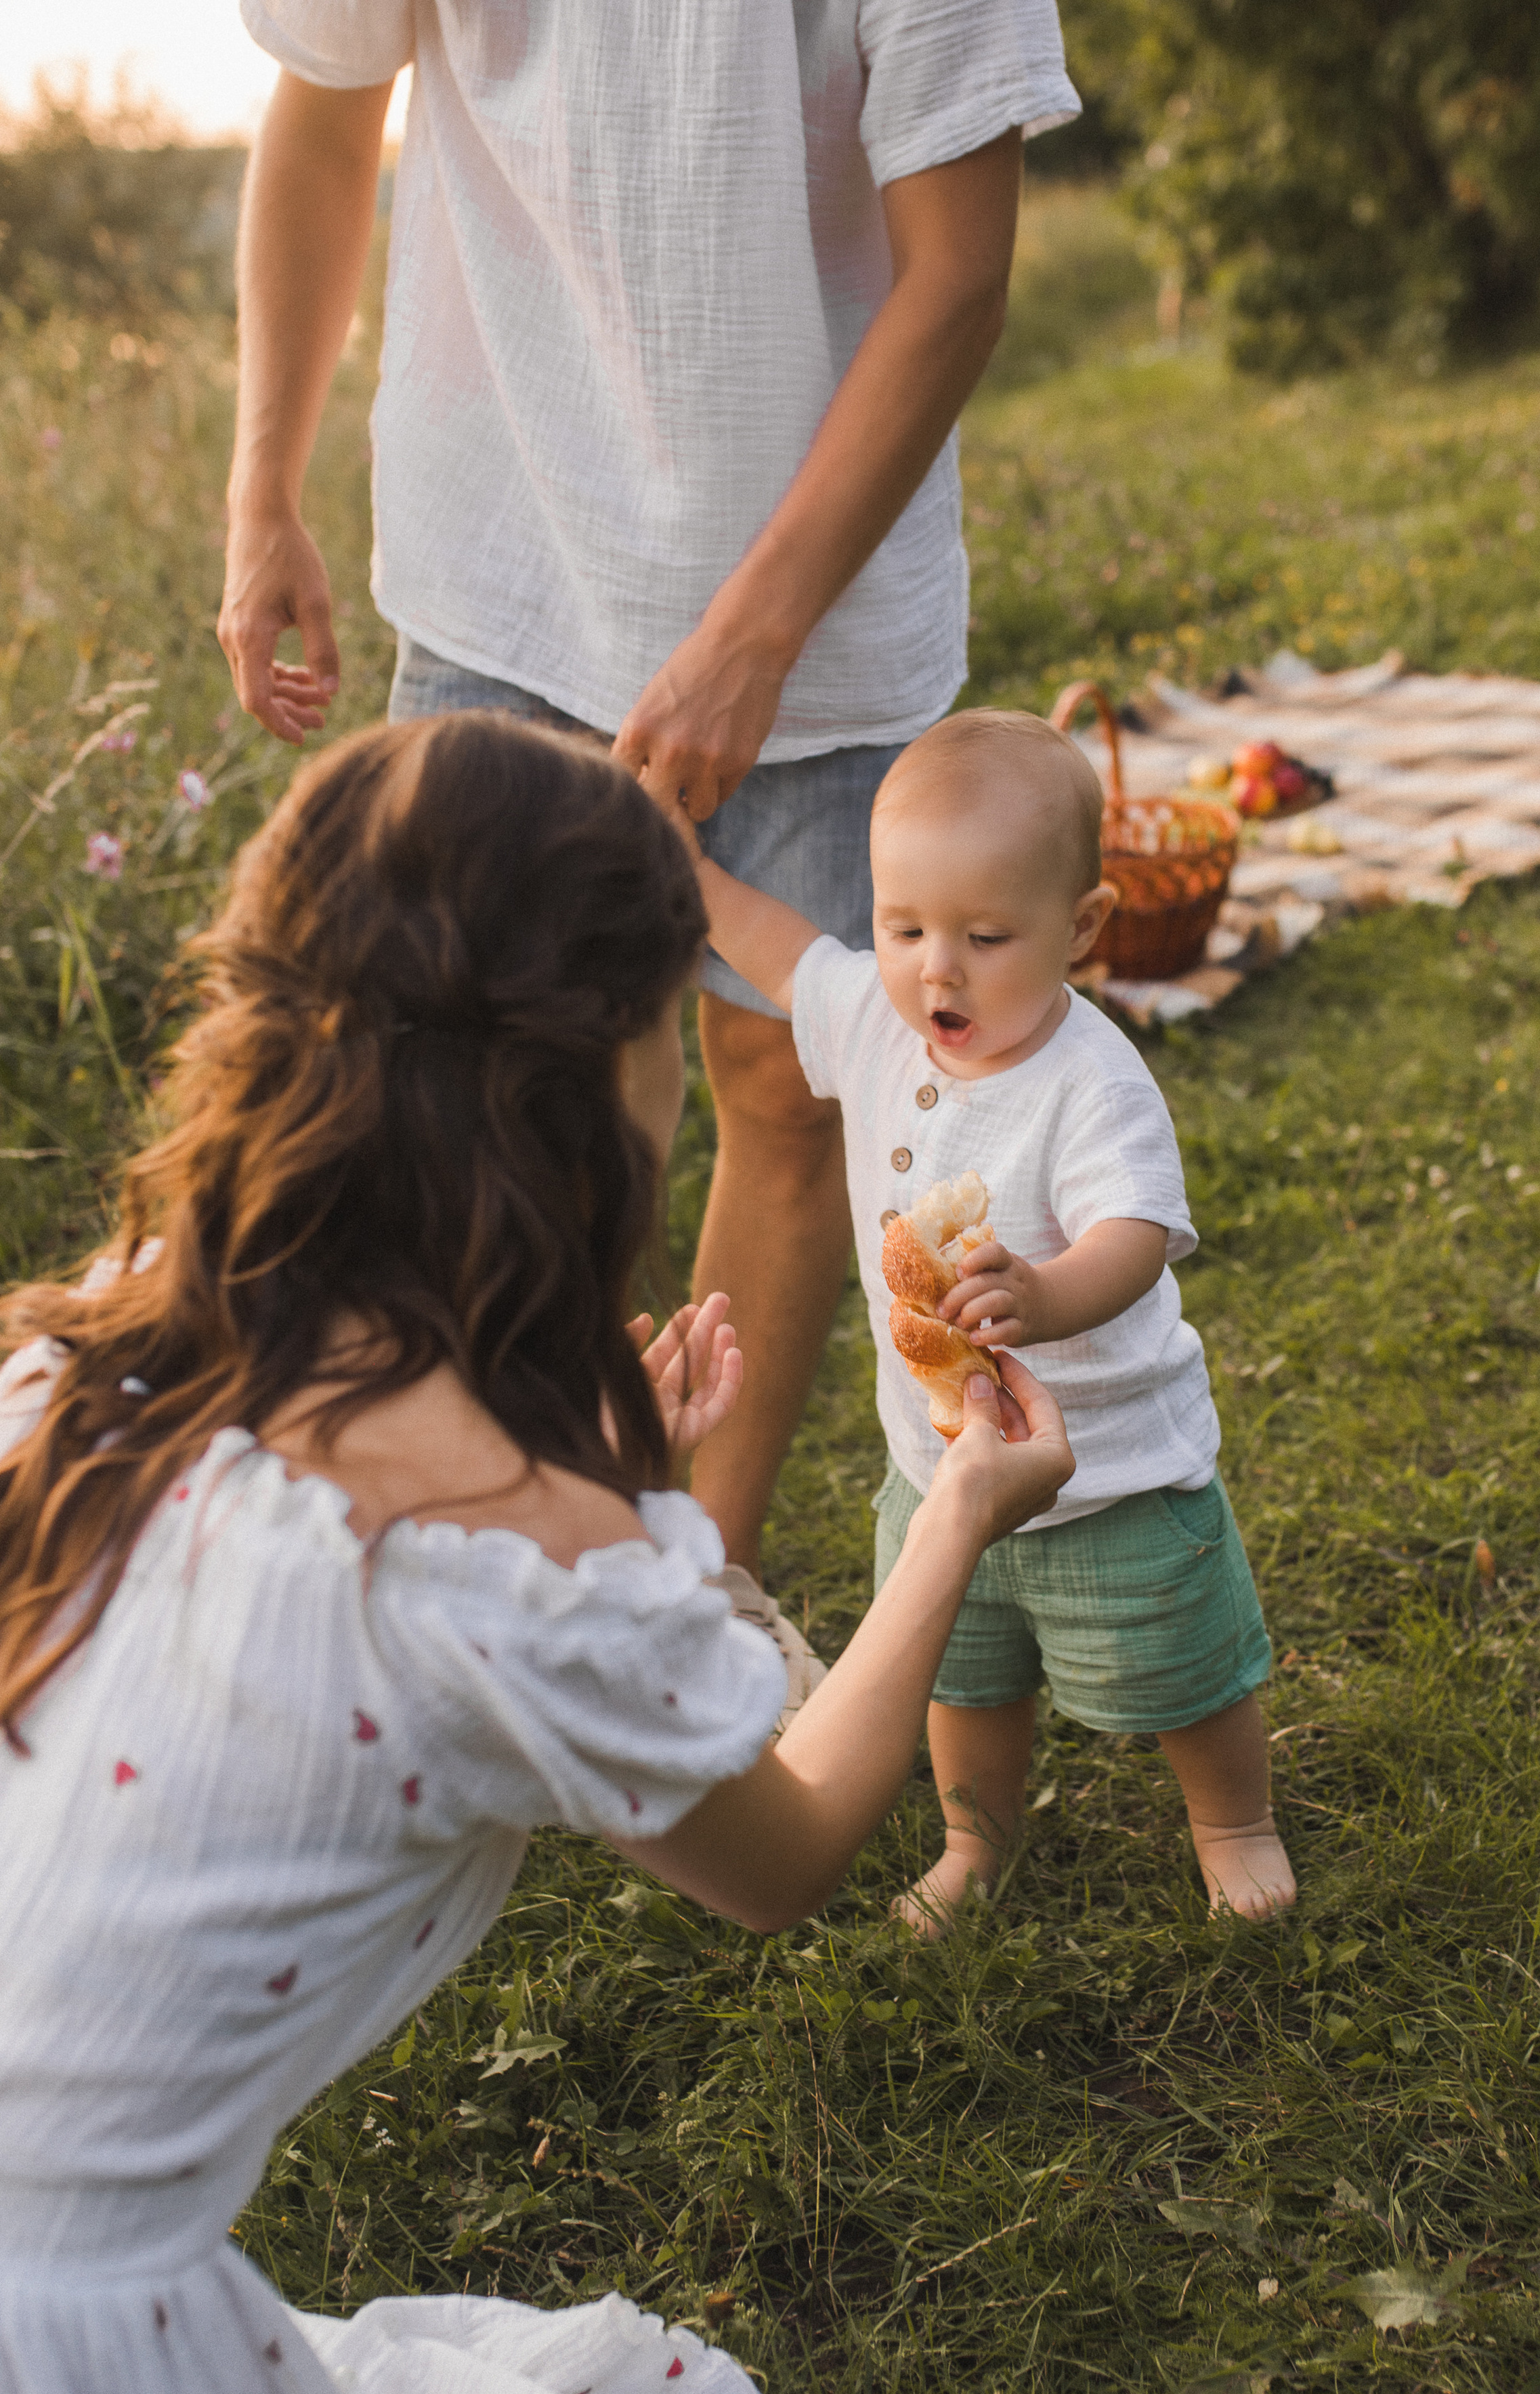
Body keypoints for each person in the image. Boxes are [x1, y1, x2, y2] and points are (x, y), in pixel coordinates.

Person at [0, 715, 1072, 2394]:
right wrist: (954, 1514)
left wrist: (596, 1485)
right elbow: (778, 1861)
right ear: (605, 1078)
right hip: (25, 2375)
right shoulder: (512, 1561)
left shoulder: (97, 1369)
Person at [217, 1, 1082, 1636]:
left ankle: (681, 1588)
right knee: (490, 1075)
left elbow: (956, 272)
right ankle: (494, 1551)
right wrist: (263, 490)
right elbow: (324, 118)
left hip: (822, 610)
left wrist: (749, 641)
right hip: (502, 560)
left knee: (782, 1077)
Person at [685, 706, 1298, 1933]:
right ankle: (978, 1837)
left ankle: (1233, 1819)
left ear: (1081, 931)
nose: (934, 970)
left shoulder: (1090, 1077)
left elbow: (1135, 1234)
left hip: (1111, 1474)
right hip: (943, 1467)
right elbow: (778, 948)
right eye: (903, 927)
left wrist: (1044, 1291)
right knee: (960, 1672)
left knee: (1182, 1663)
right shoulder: (876, 1023)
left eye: (983, 936)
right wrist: (679, 865)